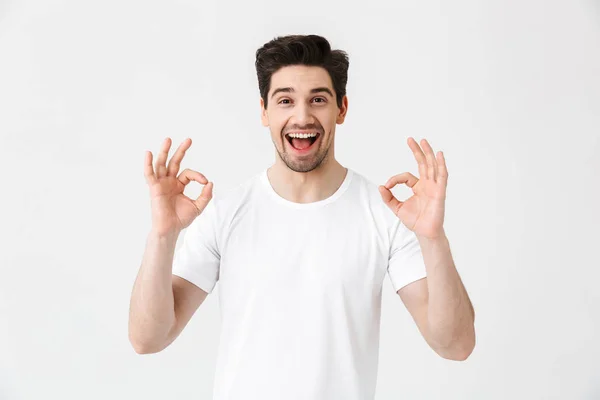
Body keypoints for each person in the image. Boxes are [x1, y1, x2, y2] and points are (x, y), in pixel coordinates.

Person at [128, 34, 475, 400]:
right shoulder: (225, 213)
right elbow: (147, 338)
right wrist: (162, 236)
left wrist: (433, 238)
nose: (302, 116)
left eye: (318, 100)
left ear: (341, 109)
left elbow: (456, 345)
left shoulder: (386, 214)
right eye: (285, 100)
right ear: (264, 111)